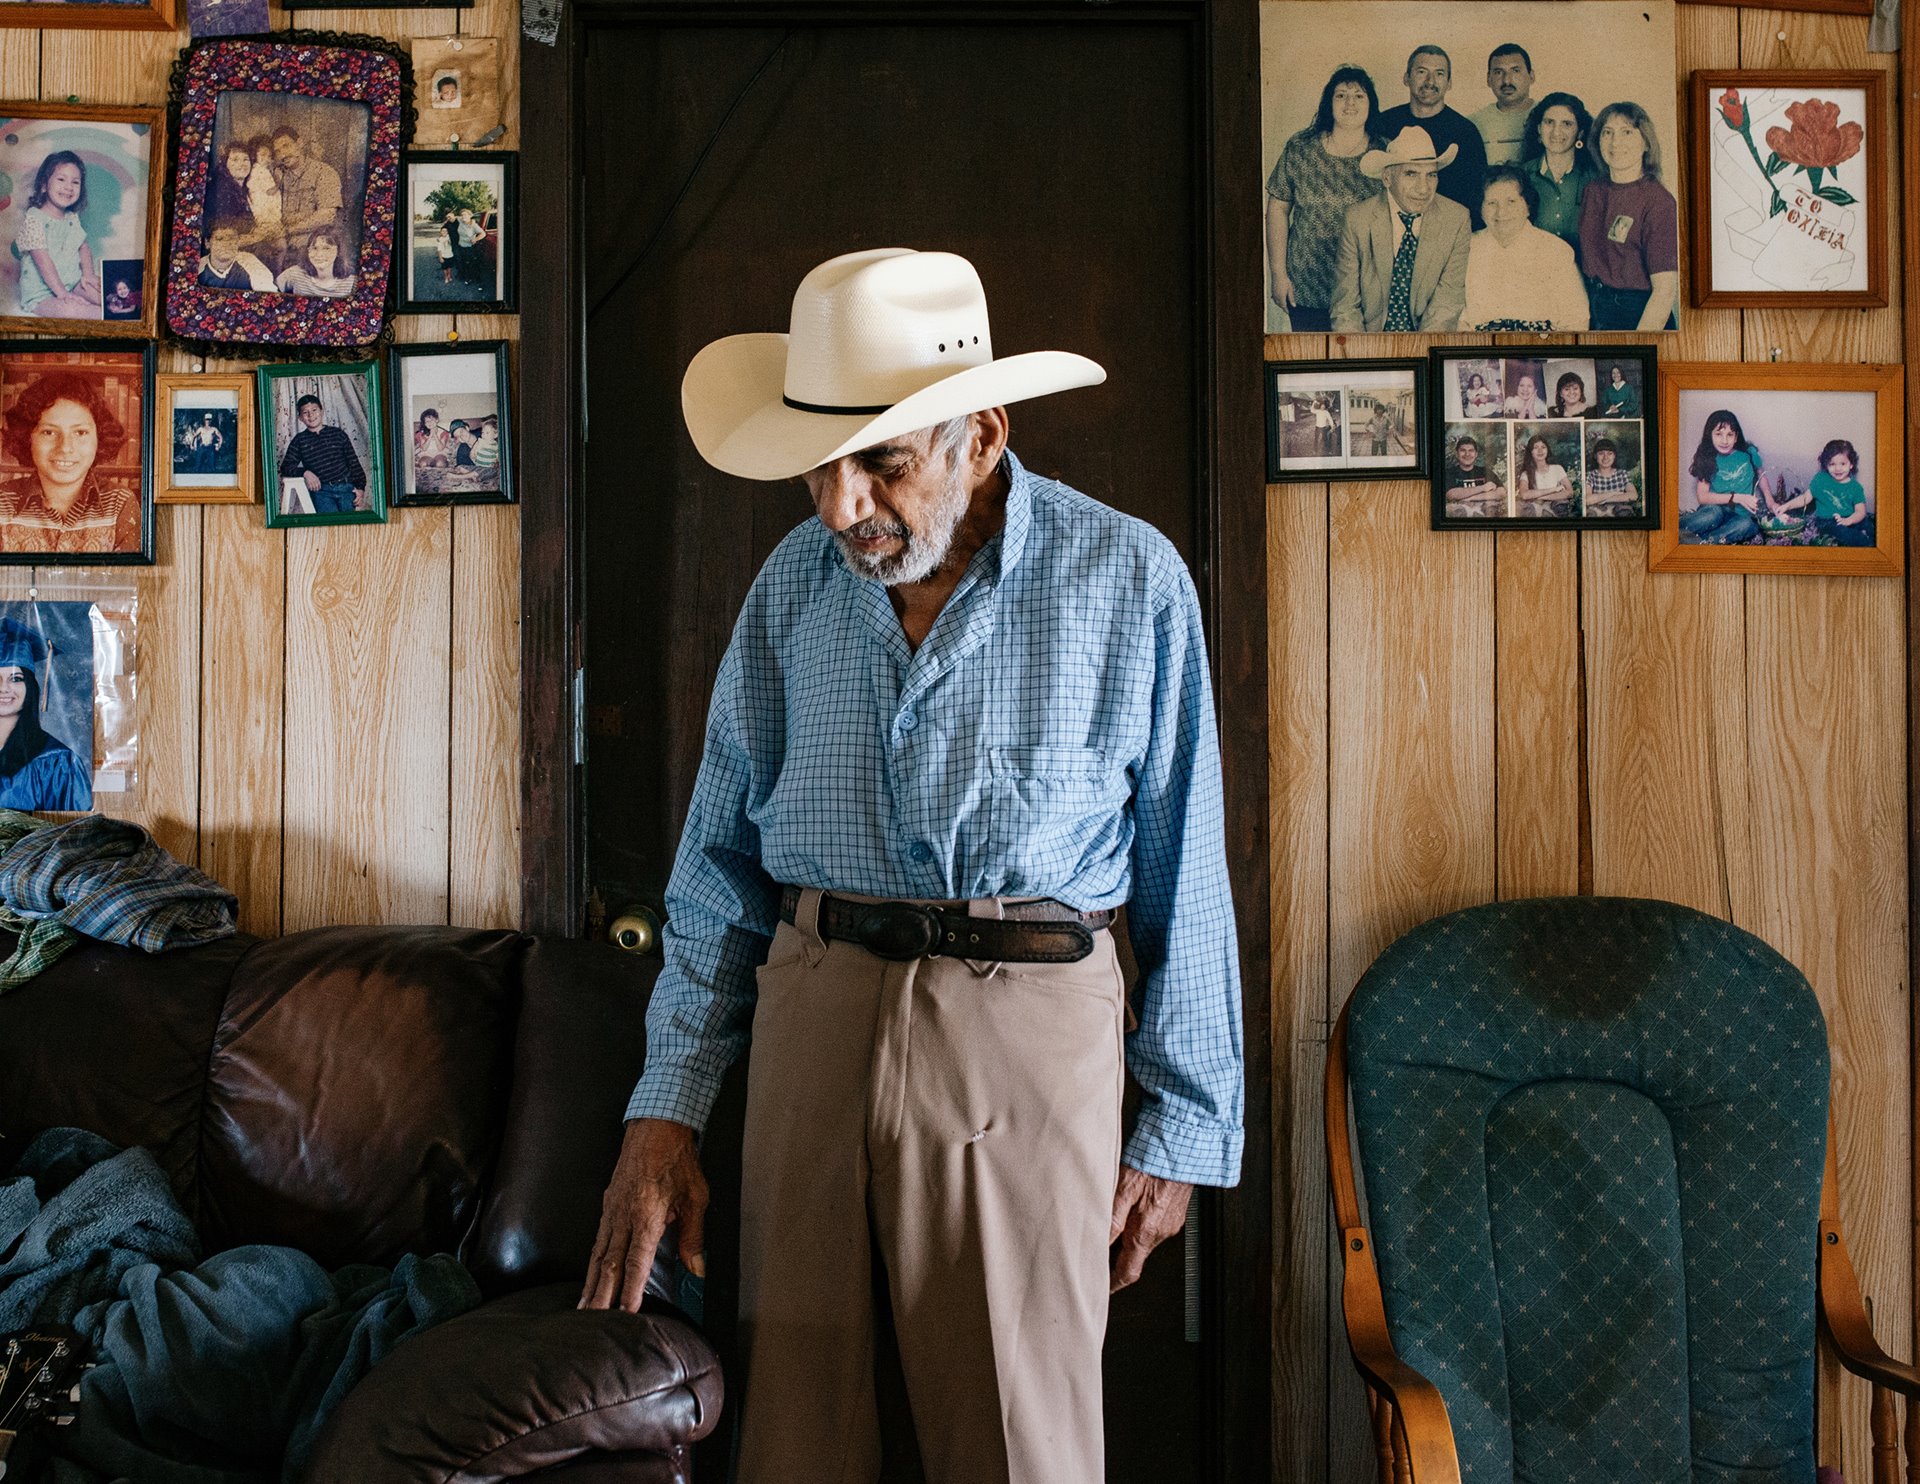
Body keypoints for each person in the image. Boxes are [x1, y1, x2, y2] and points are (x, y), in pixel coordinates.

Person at [579, 248, 1242, 1484]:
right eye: (820, 464)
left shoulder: (1129, 578)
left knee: (1019, 1441)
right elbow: (718, 862)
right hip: (814, 1006)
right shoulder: (791, 588)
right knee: (792, 1438)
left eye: (881, 459)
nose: (840, 505)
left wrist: (1183, 1133)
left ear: (980, 434)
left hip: (1034, 1020)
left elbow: (1184, 869)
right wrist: (664, 1107)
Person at [1264, 64, 1384, 332]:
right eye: (1341, 95)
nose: (1349, 103)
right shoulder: (1301, 148)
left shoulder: (1384, 154)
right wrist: (1278, 275)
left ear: (1371, 104)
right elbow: (1277, 210)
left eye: (1359, 96)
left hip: (1364, 290)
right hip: (1306, 284)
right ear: (1328, 102)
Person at [1330, 125, 1470, 333]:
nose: (1424, 189)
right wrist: (1361, 358)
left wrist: (1420, 357)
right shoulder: (1358, 219)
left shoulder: (1456, 218)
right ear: (1387, 178)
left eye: (1431, 175)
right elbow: (1345, 307)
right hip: (1369, 343)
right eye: (1411, 174)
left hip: (1427, 343)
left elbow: (1447, 304)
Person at [0, 372, 139, 554]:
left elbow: (130, 580)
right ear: (27, 438)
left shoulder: (120, 504)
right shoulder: (2, 502)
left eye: (80, 433)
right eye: (49, 432)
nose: (65, 447)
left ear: (99, 438)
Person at [1580, 102, 1679, 331]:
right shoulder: (1593, 191)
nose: (1616, 142)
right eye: (1608, 133)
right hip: (1597, 311)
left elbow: (1664, 292)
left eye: (1627, 132)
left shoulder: (1659, 201)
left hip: (1639, 316)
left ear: (1645, 142)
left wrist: (1637, 345)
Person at [1458, 167, 1589, 331]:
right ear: (1481, 209)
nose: (1501, 212)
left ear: (1527, 205)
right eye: (1492, 203)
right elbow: (1458, 319)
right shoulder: (1466, 248)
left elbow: (1577, 320)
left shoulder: (1555, 251)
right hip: (1480, 351)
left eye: (1511, 201)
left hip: (1542, 350)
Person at [1376, 45, 1488, 225]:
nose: (1430, 81)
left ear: (1449, 83)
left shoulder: (1465, 132)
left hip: (1444, 234)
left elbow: (1475, 202)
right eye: (1422, 72)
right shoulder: (1383, 123)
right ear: (1407, 78)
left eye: (1439, 74)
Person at [0, 617, 90, 812]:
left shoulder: (58, 762)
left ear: (30, 687)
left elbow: (75, 834)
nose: (4, 688)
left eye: (16, 678)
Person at [15, 151, 100, 320]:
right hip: (41, 293)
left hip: (72, 282)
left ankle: (117, 308)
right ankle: (105, 317)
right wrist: (62, 293)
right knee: (69, 310)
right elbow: (43, 261)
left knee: (102, 293)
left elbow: (83, 247)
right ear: (44, 185)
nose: (69, 187)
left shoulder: (72, 218)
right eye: (61, 179)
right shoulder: (34, 219)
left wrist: (88, 275)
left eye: (75, 182)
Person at [1519, 92, 1595, 249]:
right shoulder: (1520, 176)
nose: (1556, 132)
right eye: (1549, 122)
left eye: (1566, 124)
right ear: (1539, 128)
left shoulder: (1594, 178)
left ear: (1580, 132)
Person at [1680, 409, 1766, 544]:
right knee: (1713, 515)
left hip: (1739, 517)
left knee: (1748, 526)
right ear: (1710, 436)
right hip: (1715, 509)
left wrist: (1771, 502)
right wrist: (1736, 497)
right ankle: (1674, 530)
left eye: (1730, 435)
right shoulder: (1707, 457)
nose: (1724, 440)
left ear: (1736, 436)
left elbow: (1762, 476)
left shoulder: (1748, 453)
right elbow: (1702, 497)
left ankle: (1704, 542)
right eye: (1719, 434)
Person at [277, 393, 366, 515]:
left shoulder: (338, 434)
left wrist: (360, 488)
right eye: (305, 412)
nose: (311, 415)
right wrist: (305, 472)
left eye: (314, 410)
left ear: (322, 411)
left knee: (349, 526)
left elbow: (353, 462)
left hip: (346, 488)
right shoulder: (299, 441)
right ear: (300, 418)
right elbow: (286, 467)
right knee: (328, 526)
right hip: (321, 492)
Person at [272, 125, 343, 272]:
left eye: (286, 146)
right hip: (281, 249)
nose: (283, 154)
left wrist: (289, 229)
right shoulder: (277, 176)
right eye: (277, 151)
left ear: (300, 143)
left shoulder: (324, 173)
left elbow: (327, 216)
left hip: (313, 251)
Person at [1471, 43, 1536, 166]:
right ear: (1488, 79)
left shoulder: (1548, 117)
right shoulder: (1474, 124)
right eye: (1498, 72)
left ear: (1531, 76)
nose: (1507, 80)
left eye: (1516, 71)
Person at [1809, 438, 1873, 546]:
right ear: (1826, 465)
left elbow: (1861, 512)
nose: (1838, 468)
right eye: (1832, 464)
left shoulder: (1856, 487)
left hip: (1850, 517)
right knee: (1852, 536)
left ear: (1851, 464)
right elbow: (1805, 498)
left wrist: (1849, 520)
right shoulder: (1820, 479)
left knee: (1869, 527)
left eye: (1843, 464)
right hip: (1827, 521)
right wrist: (1786, 506)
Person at [195, 219, 277, 292]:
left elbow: (269, 294)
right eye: (220, 238)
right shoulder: (198, 268)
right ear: (207, 243)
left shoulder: (250, 264)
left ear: (238, 241)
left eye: (231, 238)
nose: (226, 244)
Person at [275, 225, 356, 298]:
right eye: (314, 248)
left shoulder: (351, 284)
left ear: (338, 251)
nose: (319, 254)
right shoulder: (294, 274)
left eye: (326, 248)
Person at [243, 134, 286, 268]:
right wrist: (280, 181)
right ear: (254, 155)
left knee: (275, 244)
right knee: (275, 244)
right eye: (263, 155)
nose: (267, 159)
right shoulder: (258, 171)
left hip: (268, 210)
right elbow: (270, 191)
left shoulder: (263, 170)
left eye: (269, 156)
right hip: (264, 211)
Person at [1515, 432, 1575, 516]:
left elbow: (1569, 492)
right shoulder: (1526, 473)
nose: (1540, 451)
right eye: (1536, 447)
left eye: (1543, 447)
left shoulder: (1557, 468)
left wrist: (1539, 497)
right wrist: (1554, 489)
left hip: (1555, 511)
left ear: (1547, 450)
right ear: (1531, 452)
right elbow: (1524, 495)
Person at [1444, 434, 1505, 516]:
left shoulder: (1485, 471)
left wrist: (1470, 498)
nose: (1467, 454)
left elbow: (1501, 492)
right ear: (1457, 454)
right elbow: (1451, 494)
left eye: (1471, 450)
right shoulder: (1449, 472)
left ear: (1476, 454)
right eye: (1463, 450)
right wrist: (1483, 488)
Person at [1583, 437, 1639, 516]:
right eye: (1601, 453)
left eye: (1609, 453)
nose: (1605, 457)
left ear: (1614, 456)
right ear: (1595, 456)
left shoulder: (1622, 474)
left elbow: (1633, 495)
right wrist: (1615, 493)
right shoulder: (1590, 475)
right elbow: (1587, 499)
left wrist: (1602, 500)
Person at [451, 207, 489, 289]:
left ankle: (479, 282)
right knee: (465, 264)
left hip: (470, 248)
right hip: (461, 246)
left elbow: (483, 234)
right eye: (462, 215)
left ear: (470, 216)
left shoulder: (474, 225)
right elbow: (452, 217)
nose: (463, 216)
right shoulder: (460, 221)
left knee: (473, 265)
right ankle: (468, 279)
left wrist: (476, 239)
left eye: (465, 214)